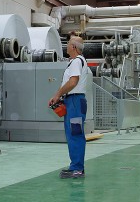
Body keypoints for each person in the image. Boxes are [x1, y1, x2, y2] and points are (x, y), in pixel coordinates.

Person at [48, 36, 91, 179]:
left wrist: (58, 93)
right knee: (74, 134)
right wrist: (60, 97)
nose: (66, 46)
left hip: (74, 102)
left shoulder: (77, 61)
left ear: (73, 47)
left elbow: (73, 82)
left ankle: (77, 169)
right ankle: (76, 166)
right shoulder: (76, 61)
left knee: (75, 134)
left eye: (68, 44)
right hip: (73, 101)